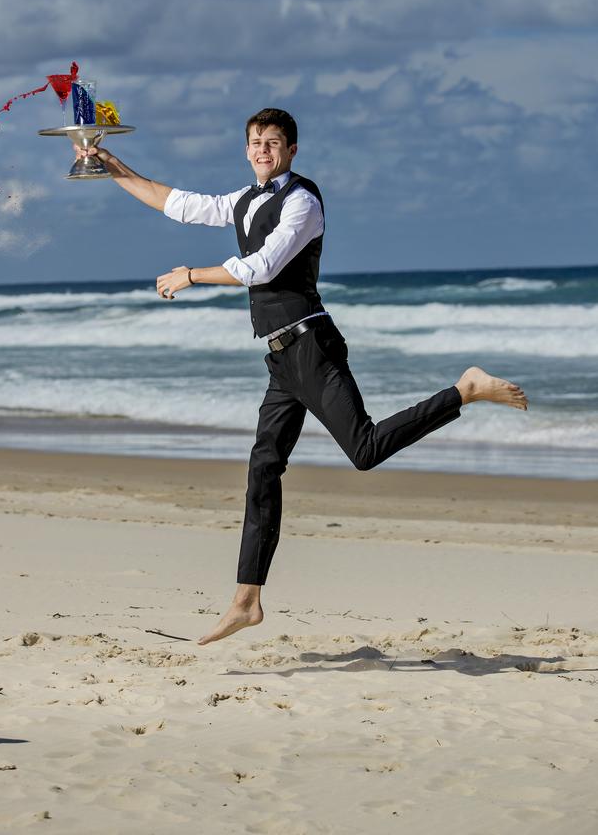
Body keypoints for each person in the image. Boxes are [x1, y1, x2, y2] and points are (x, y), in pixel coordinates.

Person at [73, 107, 528, 645]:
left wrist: (192, 275)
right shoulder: (242, 201)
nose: (263, 150)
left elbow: (261, 267)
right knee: (262, 472)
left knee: (364, 450)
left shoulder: (303, 202)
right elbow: (175, 204)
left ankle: (465, 389)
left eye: (273, 142)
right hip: (280, 360)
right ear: (246, 150)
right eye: (254, 142)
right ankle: (246, 601)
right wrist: (106, 162)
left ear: (290, 150)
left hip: (312, 348)